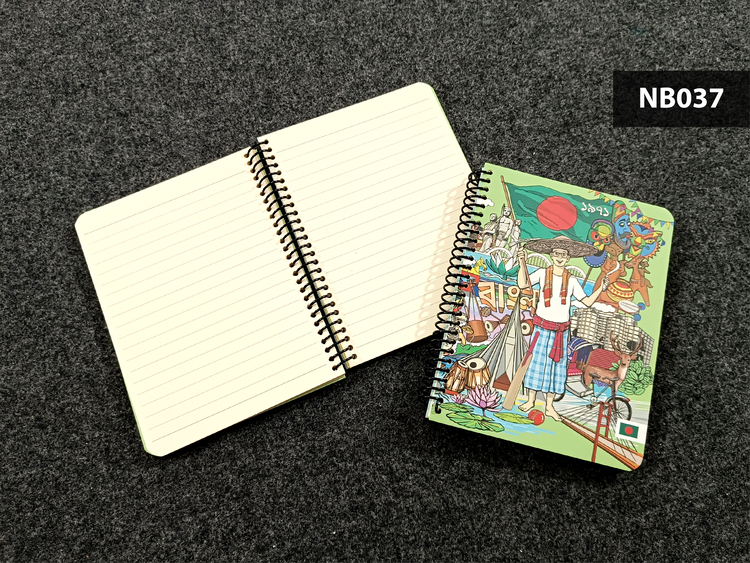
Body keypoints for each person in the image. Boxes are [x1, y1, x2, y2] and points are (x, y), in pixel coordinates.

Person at [515, 235, 609, 421]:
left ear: (568, 258)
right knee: (535, 363)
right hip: (541, 327)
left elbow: (587, 302)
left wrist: (601, 288)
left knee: (556, 368)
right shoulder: (542, 273)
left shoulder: (572, 280)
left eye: (563, 254)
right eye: (556, 253)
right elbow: (523, 284)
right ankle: (530, 400)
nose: (559, 257)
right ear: (551, 255)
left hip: (561, 331)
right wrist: (521, 262)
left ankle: (550, 406)